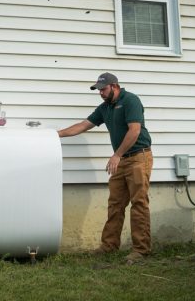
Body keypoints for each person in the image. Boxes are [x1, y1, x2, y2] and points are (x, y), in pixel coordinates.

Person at [58, 72, 153, 264]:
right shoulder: (105, 108)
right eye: (98, 90)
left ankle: (141, 251)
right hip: (121, 160)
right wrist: (54, 135)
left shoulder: (130, 100)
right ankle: (109, 246)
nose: (100, 93)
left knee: (139, 203)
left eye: (103, 89)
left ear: (115, 86)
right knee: (115, 204)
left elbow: (134, 130)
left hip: (138, 157)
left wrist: (116, 155)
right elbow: (83, 126)